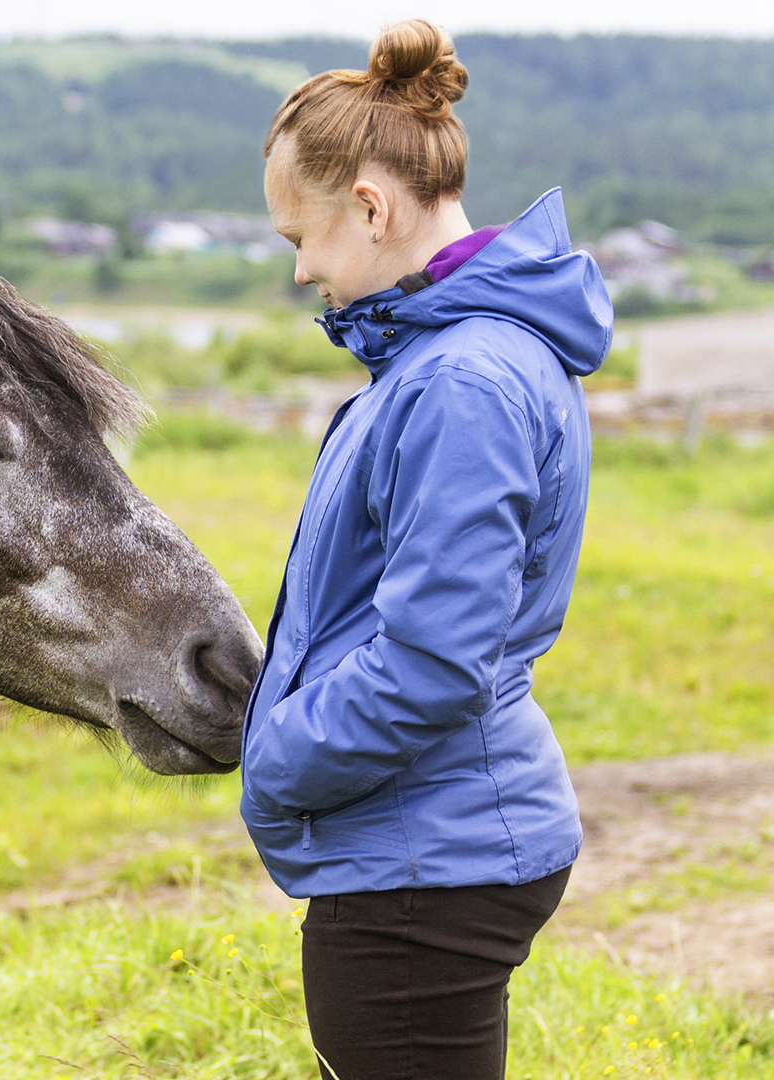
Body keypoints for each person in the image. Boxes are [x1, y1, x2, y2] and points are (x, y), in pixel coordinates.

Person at [242, 19, 611, 1080]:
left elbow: (433, 662)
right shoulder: (444, 360)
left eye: (297, 238)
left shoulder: (462, 383)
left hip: (427, 862)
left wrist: (278, 759)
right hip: (426, 841)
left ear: (370, 205)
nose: (303, 268)